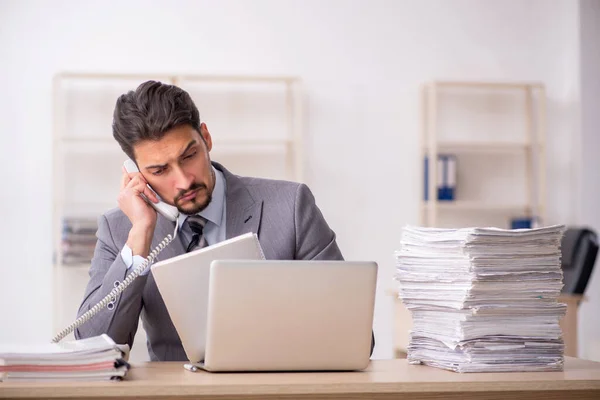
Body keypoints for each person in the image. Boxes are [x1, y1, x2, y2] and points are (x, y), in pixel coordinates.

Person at [75, 80, 374, 361]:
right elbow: (93, 346)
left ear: (206, 137)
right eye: (159, 171)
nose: (183, 181)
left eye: (189, 156)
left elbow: (356, 335)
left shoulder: (291, 206)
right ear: (136, 172)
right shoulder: (120, 230)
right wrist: (139, 237)